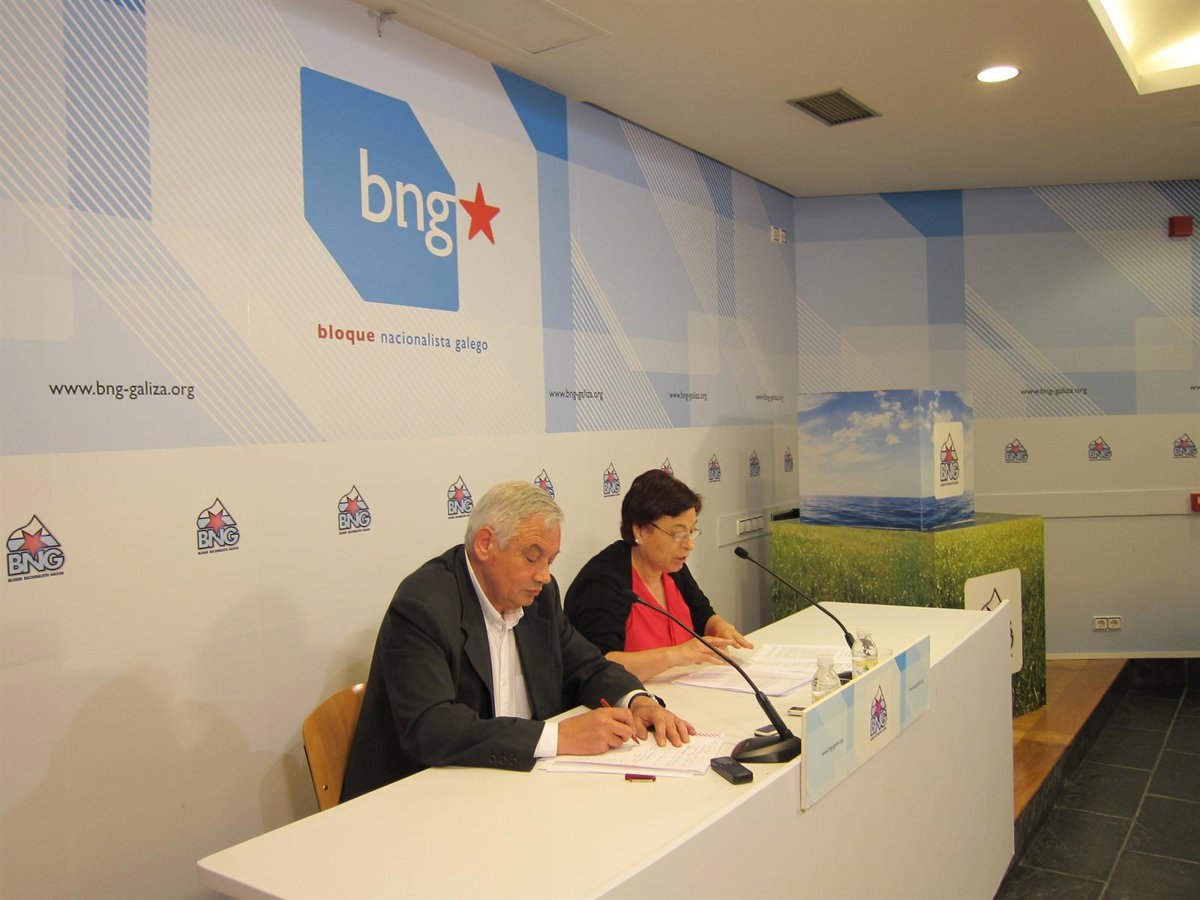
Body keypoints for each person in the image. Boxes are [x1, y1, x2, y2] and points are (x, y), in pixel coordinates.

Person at [341, 480, 694, 801]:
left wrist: (637, 700)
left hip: (520, 789)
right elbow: (432, 728)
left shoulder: (539, 596)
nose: (544, 575)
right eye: (532, 557)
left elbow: (587, 665)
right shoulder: (424, 606)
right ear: (485, 544)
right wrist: (560, 737)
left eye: (550, 560)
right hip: (421, 798)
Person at [565, 469, 753, 683]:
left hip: (685, 689)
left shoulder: (672, 567)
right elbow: (598, 665)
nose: (689, 544)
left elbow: (703, 614)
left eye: (691, 532)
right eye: (678, 533)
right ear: (640, 530)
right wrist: (675, 655)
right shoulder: (601, 582)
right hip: (631, 697)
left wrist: (721, 627)